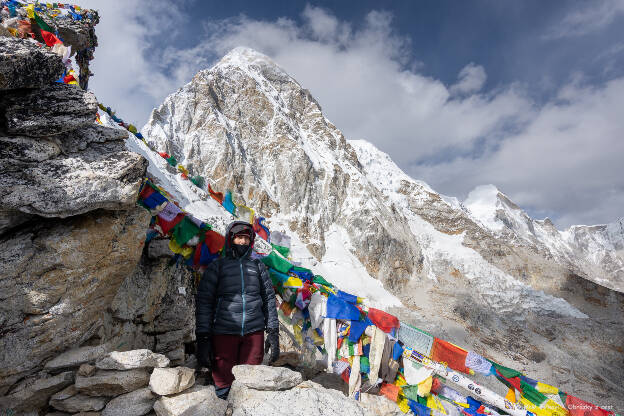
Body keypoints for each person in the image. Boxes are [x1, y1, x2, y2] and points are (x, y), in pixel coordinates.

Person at [195, 221, 280, 399]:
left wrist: (272, 330)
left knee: (252, 378)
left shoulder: (258, 267)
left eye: (246, 239)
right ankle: (223, 405)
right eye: (239, 238)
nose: (242, 242)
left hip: (254, 331)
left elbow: (269, 300)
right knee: (223, 379)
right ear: (230, 239)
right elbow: (205, 302)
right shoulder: (217, 267)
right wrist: (203, 337)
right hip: (224, 331)